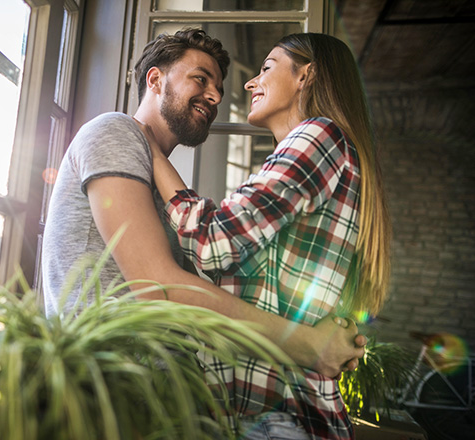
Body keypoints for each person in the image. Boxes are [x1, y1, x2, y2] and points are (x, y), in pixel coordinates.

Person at [41, 27, 364, 405]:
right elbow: (157, 285)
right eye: (201, 78)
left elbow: (212, 272)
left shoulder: (160, 177)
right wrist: (305, 342)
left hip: (160, 388)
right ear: (156, 80)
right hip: (113, 387)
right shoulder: (116, 131)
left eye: (218, 88)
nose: (215, 95)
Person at [148, 33, 391, 439]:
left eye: (266, 67)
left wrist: (151, 150)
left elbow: (212, 240)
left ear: (305, 75)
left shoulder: (318, 137)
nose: (248, 83)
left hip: (275, 420)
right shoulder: (316, 150)